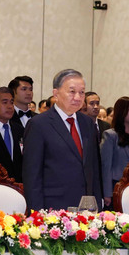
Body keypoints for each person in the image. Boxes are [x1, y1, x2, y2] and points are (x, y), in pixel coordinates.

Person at [22, 69, 102, 210]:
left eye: (82, 92)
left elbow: (94, 168)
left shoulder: (87, 123)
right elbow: (32, 176)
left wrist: (97, 207)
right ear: (56, 94)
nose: (78, 97)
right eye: (72, 92)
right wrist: (37, 214)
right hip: (54, 209)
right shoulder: (39, 124)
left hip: (86, 209)